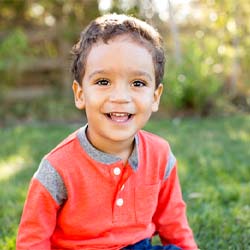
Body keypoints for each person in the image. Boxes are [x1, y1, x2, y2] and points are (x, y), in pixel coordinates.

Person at [16, 13, 198, 250]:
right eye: (103, 82)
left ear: (155, 97)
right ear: (80, 94)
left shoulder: (160, 155)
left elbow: (173, 222)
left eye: (138, 83)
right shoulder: (57, 168)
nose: (120, 97)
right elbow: (33, 239)